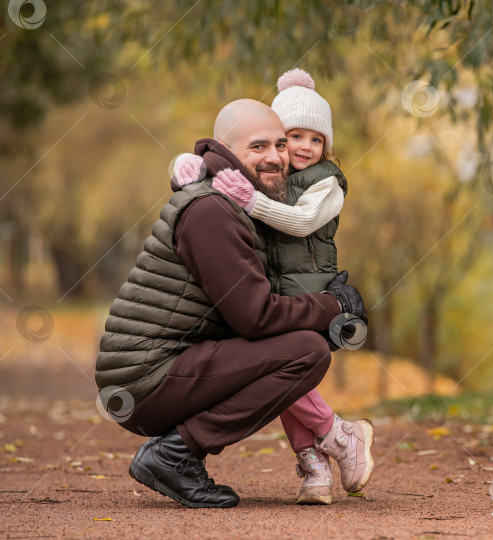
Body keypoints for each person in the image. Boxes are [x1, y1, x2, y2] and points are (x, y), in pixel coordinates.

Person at [95, 98, 371, 509]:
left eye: (281, 144)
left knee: (300, 346)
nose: (276, 157)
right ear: (224, 150)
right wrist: (332, 306)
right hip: (144, 376)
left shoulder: (235, 202)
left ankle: (178, 454)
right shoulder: (211, 210)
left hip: (166, 365)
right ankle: (173, 456)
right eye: (257, 147)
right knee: (306, 353)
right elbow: (256, 318)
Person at [173, 69, 371, 505]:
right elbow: (229, 168)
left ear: (327, 147)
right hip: (275, 291)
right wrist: (188, 168)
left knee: (288, 370)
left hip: (313, 293)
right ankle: (314, 463)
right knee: (280, 374)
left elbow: (300, 223)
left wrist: (251, 201)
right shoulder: (274, 172)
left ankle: (337, 436)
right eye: (291, 136)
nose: (302, 147)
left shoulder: (327, 183)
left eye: (314, 140)